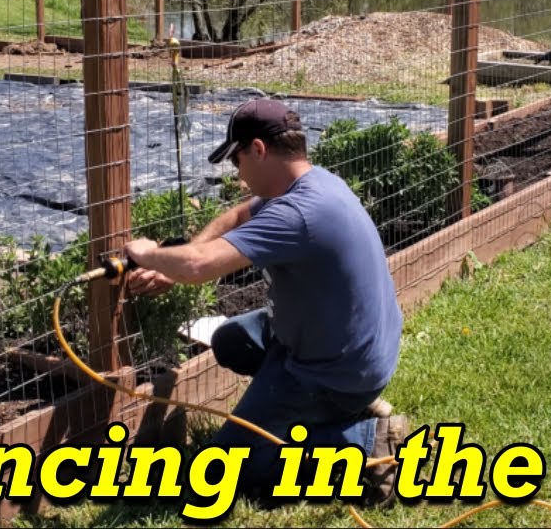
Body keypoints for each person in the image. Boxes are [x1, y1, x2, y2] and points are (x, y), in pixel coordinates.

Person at [122, 98, 406, 502]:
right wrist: (174, 266)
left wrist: (148, 253)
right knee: (231, 339)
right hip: (345, 344)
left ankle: (365, 441)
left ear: (258, 149)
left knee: (226, 472)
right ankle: (303, 415)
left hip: (334, 371)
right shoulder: (316, 182)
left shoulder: (299, 213)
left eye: (236, 160)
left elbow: (198, 266)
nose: (237, 175)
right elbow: (238, 217)